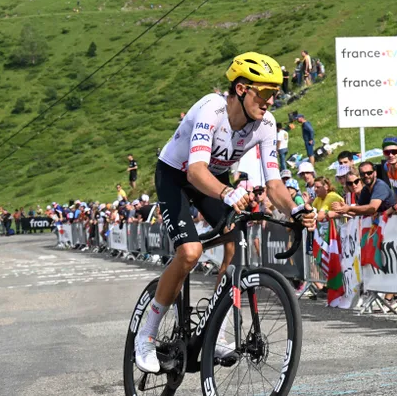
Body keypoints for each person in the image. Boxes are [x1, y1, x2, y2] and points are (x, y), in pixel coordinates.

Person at [135, 52, 315, 373]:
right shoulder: (211, 109)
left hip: (214, 177)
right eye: (265, 93)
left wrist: (297, 210)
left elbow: (274, 184)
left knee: (234, 239)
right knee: (189, 253)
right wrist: (228, 192)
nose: (272, 100)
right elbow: (195, 172)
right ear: (243, 88)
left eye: (276, 93)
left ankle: (213, 329)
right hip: (178, 174)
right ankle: (147, 334)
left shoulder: (266, 125)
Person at [331, 162, 397, 216]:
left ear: (375, 173)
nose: (366, 176)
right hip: (386, 223)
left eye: (369, 173)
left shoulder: (380, 186)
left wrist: (349, 208)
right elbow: (356, 211)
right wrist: (343, 210)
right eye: (363, 174)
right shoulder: (365, 190)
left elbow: (373, 208)